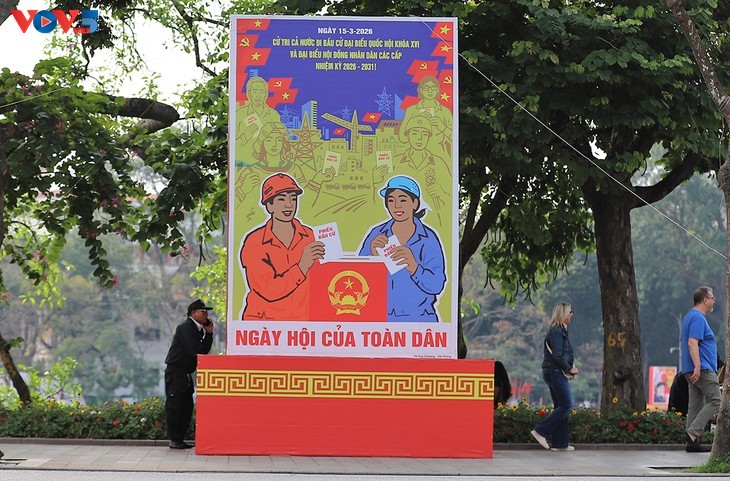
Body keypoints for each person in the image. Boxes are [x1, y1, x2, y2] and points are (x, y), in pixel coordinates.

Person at [358, 175, 446, 322]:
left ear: (415, 203)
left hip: (420, 320)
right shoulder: (377, 234)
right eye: (391, 200)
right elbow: (359, 279)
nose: (396, 206)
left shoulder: (428, 239)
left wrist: (414, 268)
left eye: (403, 200)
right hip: (380, 320)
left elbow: (437, 285)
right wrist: (372, 257)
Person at [239, 173, 325, 320]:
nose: (289, 204)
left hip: (302, 324)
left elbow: (322, 280)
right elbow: (267, 290)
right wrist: (302, 266)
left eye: (293, 198)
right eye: (281, 199)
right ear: (269, 205)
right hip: (265, 324)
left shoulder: (310, 236)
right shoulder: (255, 242)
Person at [164, 299, 214, 449]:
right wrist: (205, 335)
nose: (206, 315)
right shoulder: (187, 327)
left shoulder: (198, 329)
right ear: (193, 313)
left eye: (206, 312)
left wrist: (209, 333)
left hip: (185, 372)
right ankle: (174, 439)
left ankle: (180, 438)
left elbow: (203, 352)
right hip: (176, 371)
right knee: (175, 405)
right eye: (203, 312)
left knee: (186, 406)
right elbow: (194, 350)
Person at [531, 302, 579, 452]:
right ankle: (540, 431)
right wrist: (569, 368)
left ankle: (560, 443)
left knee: (561, 406)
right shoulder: (557, 332)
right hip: (555, 371)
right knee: (567, 405)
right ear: (563, 314)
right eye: (570, 311)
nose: (572, 314)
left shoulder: (560, 330)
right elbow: (557, 355)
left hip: (553, 371)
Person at [680, 286, 721, 453]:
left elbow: (683, 344)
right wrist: (698, 366)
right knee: (716, 400)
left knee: (695, 404)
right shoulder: (698, 318)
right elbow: (692, 343)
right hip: (702, 368)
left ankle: (692, 442)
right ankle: (692, 433)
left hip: (691, 368)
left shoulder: (689, 317)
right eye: (712, 298)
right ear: (705, 300)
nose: (714, 301)